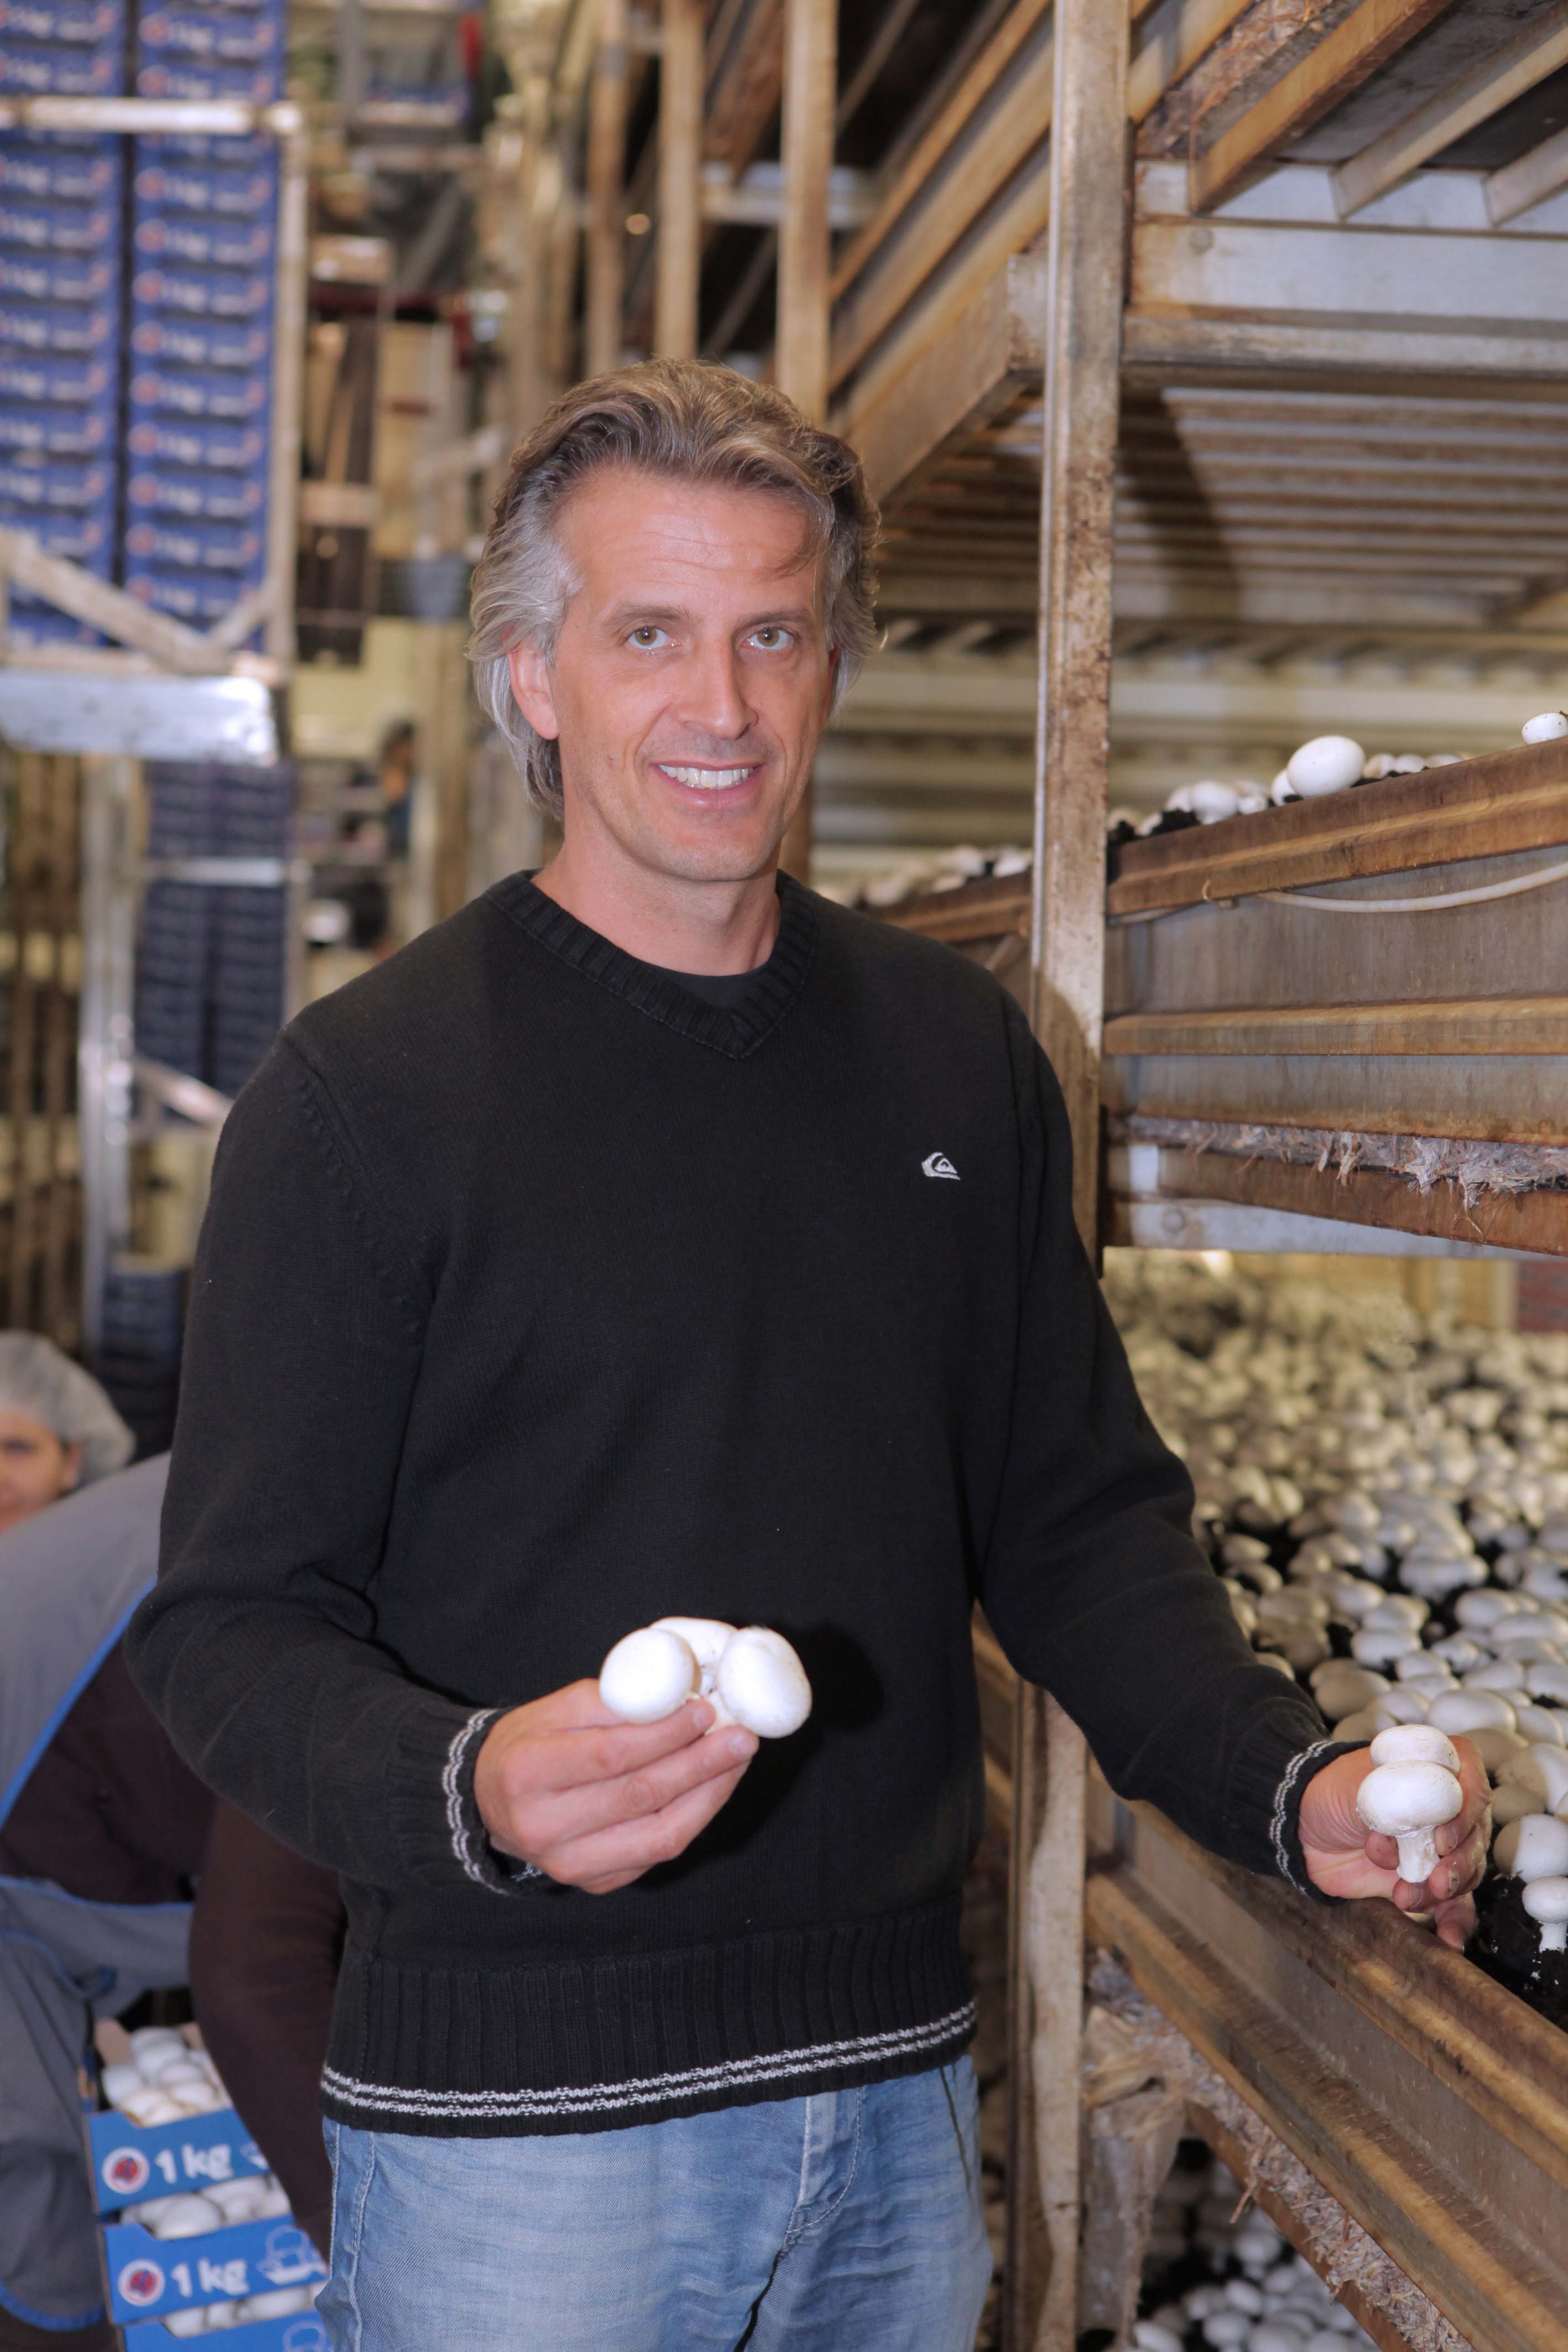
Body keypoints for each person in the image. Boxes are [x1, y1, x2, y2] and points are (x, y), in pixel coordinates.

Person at [128, 362, 1489, 2352]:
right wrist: (473, 1781)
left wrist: (1283, 1789)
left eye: (774, 632)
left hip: (888, 2096)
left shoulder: (953, 1054)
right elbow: (228, 1628)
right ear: (531, 675)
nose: (721, 707)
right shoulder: (367, 1096)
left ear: (832, 658)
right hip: (520, 2146)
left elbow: (1075, 1519)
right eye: (650, 635)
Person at [0, 1339, 340, 2352]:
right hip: (23, 1872)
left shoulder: (296, 1482)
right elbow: (256, 1967)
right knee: (27, 2191)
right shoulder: (319, 1565)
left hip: (59, 1851)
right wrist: (368, 2246)